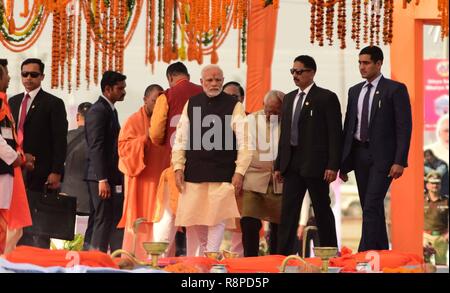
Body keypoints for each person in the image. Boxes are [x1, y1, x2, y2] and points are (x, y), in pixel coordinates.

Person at [172, 64, 252, 256]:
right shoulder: (191, 103)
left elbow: (245, 143)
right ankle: (206, 263)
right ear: (202, 82)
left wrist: (239, 172)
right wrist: (178, 167)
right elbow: (181, 138)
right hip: (193, 175)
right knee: (197, 222)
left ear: (223, 81)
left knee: (216, 223)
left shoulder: (234, 105)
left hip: (222, 176)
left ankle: (210, 261)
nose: (214, 83)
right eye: (209, 80)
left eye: (218, 80)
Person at [340, 45, 413, 252]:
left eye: (366, 63)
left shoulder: (395, 89)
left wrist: (399, 160)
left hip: (384, 159)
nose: (362, 67)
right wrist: (342, 164)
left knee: (372, 204)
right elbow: (348, 128)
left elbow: (404, 127)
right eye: (360, 63)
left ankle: (365, 253)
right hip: (359, 154)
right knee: (370, 206)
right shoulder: (354, 91)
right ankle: (381, 252)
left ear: (379, 64)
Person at [274, 55, 341, 255]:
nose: (295, 75)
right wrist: (279, 164)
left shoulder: (326, 97)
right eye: (292, 71)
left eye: (299, 71)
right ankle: (283, 256)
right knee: (288, 213)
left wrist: (333, 165)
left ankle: (329, 253)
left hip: (317, 165)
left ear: (311, 72)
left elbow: (335, 134)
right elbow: (284, 134)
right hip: (291, 164)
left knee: (322, 210)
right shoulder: (289, 98)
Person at [9, 58, 68, 249]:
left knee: (39, 221)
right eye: (25, 74)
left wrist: (56, 171)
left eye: (33, 74)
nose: (28, 78)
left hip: (42, 171)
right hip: (16, 167)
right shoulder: (13, 101)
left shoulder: (53, 103)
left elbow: (60, 140)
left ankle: (37, 258)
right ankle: (15, 256)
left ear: (42, 77)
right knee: (16, 217)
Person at [149, 62, 202, 254]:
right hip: (203, 168)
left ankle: (157, 262)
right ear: (187, 75)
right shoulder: (204, 93)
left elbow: (155, 133)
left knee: (167, 216)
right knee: (198, 220)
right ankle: (197, 266)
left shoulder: (168, 96)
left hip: (176, 165)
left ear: (170, 78)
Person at [117, 84, 168, 260]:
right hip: (141, 182)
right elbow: (123, 149)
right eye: (154, 101)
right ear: (145, 100)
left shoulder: (166, 122)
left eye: (161, 102)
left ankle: (160, 261)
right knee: (139, 220)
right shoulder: (133, 121)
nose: (157, 105)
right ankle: (133, 260)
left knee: (163, 220)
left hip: (162, 181)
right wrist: (143, 139)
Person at [84, 71, 126, 252]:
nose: (123, 92)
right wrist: (102, 179)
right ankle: (96, 263)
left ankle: (94, 259)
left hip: (107, 176)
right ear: (107, 89)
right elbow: (96, 146)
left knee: (102, 218)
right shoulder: (98, 111)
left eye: (124, 88)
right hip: (99, 178)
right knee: (102, 219)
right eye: (120, 88)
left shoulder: (110, 109)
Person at [240, 90, 283, 257]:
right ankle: (250, 261)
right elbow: (243, 150)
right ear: (263, 105)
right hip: (254, 179)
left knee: (279, 228)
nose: (269, 115)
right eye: (267, 110)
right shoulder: (250, 121)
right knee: (249, 221)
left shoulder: (290, 121)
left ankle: (277, 262)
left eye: (275, 112)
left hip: (280, 181)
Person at [0, 59, 32, 254]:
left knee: (10, 225)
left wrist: (21, 157)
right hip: (3, 170)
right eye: (6, 74)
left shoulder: (4, 102)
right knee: (9, 224)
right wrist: (16, 158)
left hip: (7, 169)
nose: (10, 77)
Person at [223, 81, 246, 256]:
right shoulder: (210, 120)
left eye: (234, 97)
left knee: (239, 223)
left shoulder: (250, 120)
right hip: (216, 180)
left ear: (242, 99)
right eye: (227, 96)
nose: (230, 100)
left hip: (240, 180)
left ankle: (237, 262)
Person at [62, 102, 92, 216]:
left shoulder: (67, 136)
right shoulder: (98, 139)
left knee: (64, 231)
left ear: (77, 117)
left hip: (67, 193)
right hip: (89, 197)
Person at [423, 172, 448, 265]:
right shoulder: (421, 199)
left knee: (441, 266)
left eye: (437, 183)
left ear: (441, 185)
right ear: (427, 185)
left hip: (441, 238)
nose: (435, 185)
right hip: (425, 237)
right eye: (432, 183)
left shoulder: (446, 201)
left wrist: (447, 235)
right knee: (424, 265)